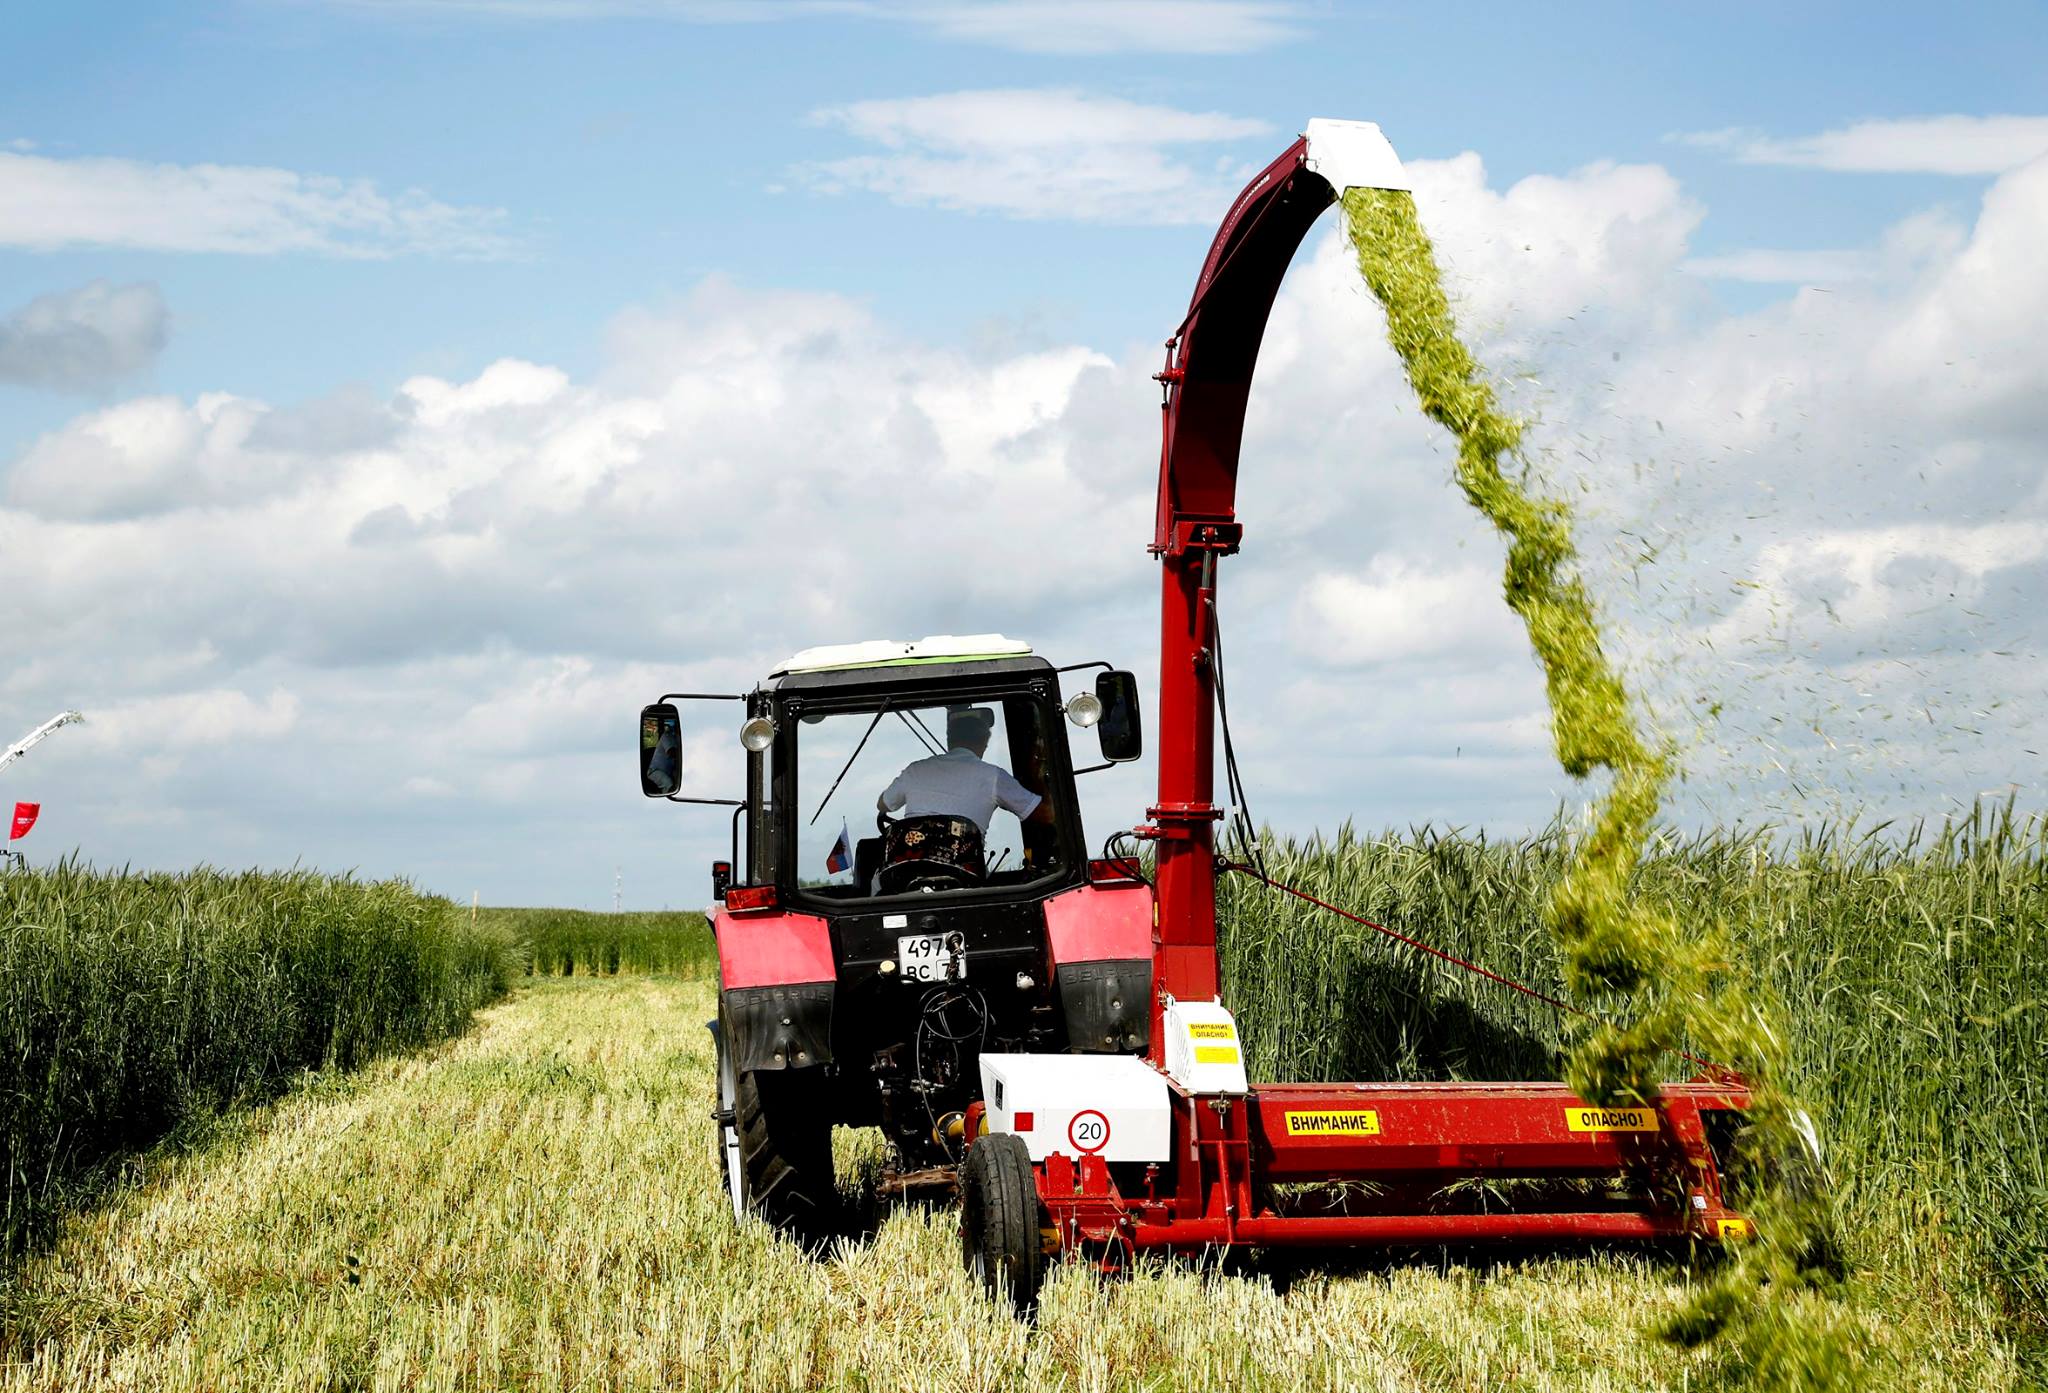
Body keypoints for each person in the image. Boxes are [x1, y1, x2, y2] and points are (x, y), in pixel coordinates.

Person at [878, 706, 1050, 833]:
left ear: (949, 739)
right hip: (965, 873)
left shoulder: (914, 770)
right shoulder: (994, 777)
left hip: (909, 871)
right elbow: (1043, 814)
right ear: (984, 742)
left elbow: (883, 804)